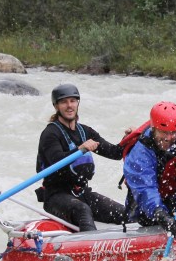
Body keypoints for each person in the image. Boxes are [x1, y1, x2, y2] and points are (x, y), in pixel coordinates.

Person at [36, 83, 127, 232]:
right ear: (56, 106)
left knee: (122, 212)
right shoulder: (50, 134)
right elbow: (57, 161)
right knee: (82, 210)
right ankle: (91, 251)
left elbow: (115, 153)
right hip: (55, 197)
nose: (69, 105)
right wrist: (80, 149)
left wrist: (128, 138)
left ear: (78, 103)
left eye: (73, 101)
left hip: (82, 193)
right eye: (64, 102)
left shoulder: (85, 131)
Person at [122, 101, 176, 235]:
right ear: (153, 127)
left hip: (172, 198)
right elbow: (146, 191)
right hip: (145, 210)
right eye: (164, 132)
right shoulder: (140, 153)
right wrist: (162, 215)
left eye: (172, 133)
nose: (169, 138)